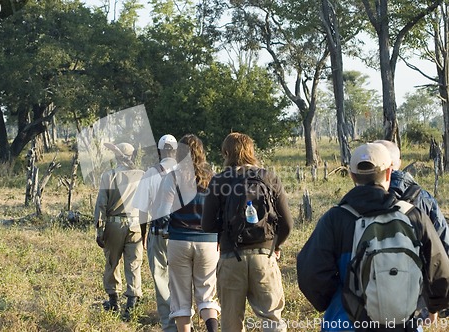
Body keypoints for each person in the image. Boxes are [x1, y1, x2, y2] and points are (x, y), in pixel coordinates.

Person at [297, 142, 449, 331]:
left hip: (346, 323)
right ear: (389, 173)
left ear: (352, 176)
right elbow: (439, 266)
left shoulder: (335, 218)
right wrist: (434, 305)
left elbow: (310, 272)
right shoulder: (413, 215)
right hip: (404, 324)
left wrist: (337, 298)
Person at [202, 132, 293, 332]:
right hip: (264, 256)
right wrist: (274, 245)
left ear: (226, 153)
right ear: (251, 151)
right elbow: (287, 224)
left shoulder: (219, 181)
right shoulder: (269, 177)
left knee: (231, 322)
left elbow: (206, 225)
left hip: (230, 257)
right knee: (272, 318)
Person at [374, 139, 449, 321]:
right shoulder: (423, 198)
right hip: (414, 296)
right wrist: (435, 304)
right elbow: (441, 252)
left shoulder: (357, 200)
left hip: (367, 294)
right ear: (397, 163)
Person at [155, 134, 220, 332]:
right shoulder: (213, 178)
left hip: (179, 241)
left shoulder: (173, 176)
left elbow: (163, 213)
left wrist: (161, 228)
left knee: (181, 300)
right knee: (207, 296)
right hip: (208, 243)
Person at [132, 134, 178, 332]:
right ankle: (187, 321)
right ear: (175, 150)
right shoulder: (185, 170)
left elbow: (142, 209)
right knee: (183, 279)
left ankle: (169, 326)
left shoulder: (150, 173)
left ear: (160, 151)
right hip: (183, 233)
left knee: (161, 279)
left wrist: (143, 235)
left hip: (158, 232)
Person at [94, 142, 145, 320]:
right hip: (136, 224)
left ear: (116, 156)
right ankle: (132, 302)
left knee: (112, 262)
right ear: (132, 156)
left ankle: (113, 301)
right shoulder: (141, 175)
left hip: (114, 224)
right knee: (134, 264)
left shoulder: (109, 176)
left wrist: (99, 230)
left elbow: (101, 204)